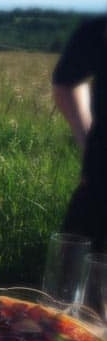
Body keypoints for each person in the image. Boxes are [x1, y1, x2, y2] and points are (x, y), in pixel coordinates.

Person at [52, 15, 107, 252]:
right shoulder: (99, 26)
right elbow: (67, 79)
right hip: (98, 191)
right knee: (76, 279)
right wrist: (89, 144)